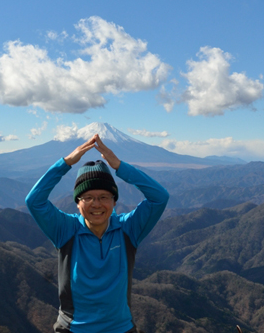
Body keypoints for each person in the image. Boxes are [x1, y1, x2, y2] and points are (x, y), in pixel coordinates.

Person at [26, 134, 169, 333]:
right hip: (74, 329)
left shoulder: (127, 229)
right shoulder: (65, 230)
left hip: (121, 328)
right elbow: (34, 201)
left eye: (104, 197)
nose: (96, 204)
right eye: (88, 197)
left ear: (114, 201)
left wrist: (119, 166)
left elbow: (160, 198)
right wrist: (66, 163)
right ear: (77, 202)